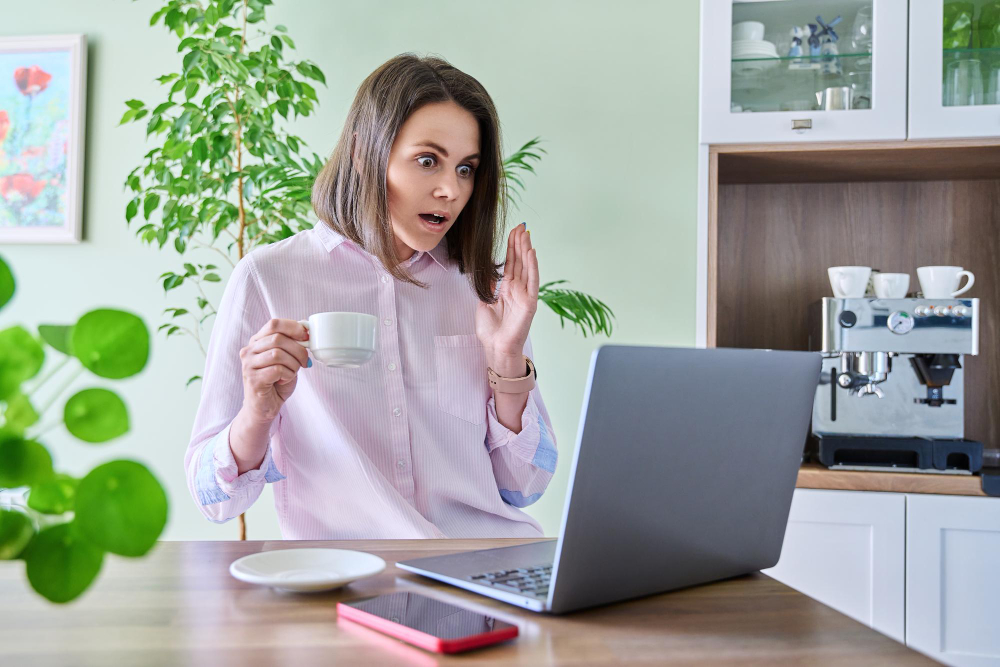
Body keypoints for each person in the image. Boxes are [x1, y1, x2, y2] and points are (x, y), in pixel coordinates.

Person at [183, 54, 557, 539]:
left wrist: (507, 359)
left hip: (482, 577)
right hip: (346, 582)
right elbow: (214, 498)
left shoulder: (485, 289)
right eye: (428, 161)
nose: (450, 189)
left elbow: (524, 486)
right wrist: (258, 412)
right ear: (363, 154)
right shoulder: (268, 277)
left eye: (466, 169)